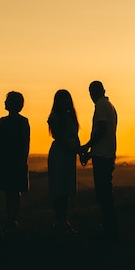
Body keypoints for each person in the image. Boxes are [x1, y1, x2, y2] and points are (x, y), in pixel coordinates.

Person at [0, 91, 30, 234]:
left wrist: (23, 161)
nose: (4, 102)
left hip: (13, 160)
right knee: (9, 191)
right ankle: (11, 219)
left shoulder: (21, 121)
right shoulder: (4, 121)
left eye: (7, 100)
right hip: (7, 159)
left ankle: (12, 219)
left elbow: (25, 143)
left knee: (13, 190)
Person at [80, 81, 118, 242]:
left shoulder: (101, 106)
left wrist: (87, 146)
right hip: (105, 153)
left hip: (102, 155)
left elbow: (101, 129)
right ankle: (110, 227)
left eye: (92, 91)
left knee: (104, 193)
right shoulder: (108, 105)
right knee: (105, 192)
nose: (91, 95)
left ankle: (110, 229)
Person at [47, 89, 80, 236]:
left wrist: (79, 151)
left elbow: (75, 135)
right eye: (61, 99)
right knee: (59, 187)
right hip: (60, 152)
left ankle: (63, 220)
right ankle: (58, 220)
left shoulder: (71, 116)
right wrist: (72, 148)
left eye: (66, 99)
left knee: (66, 188)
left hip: (69, 153)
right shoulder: (55, 116)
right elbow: (58, 136)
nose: (64, 102)